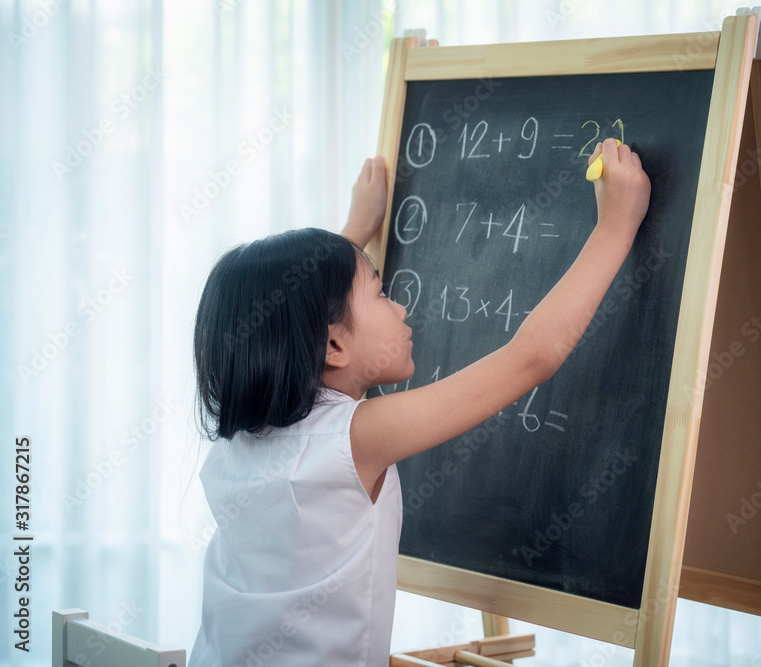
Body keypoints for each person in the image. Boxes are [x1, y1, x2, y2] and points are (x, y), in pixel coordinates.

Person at [188, 138, 651, 667]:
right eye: (382, 293)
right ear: (333, 345)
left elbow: (292, 314)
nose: (402, 305)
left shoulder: (239, 441)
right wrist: (617, 225)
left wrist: (356, 227)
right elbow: (531, 358)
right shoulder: (357, 437)